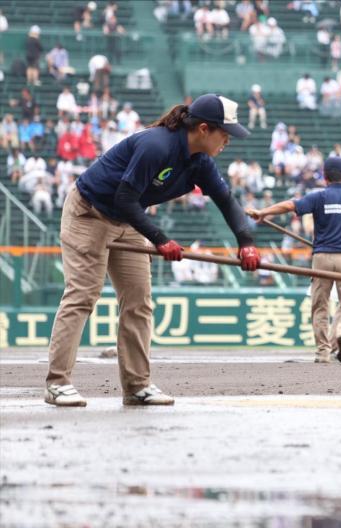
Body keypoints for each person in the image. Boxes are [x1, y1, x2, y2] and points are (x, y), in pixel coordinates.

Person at [44, 94, 260, 407]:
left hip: (130, 219)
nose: (228, 139)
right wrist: (160, 239)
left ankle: (137, 385)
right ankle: (57, 383)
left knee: (138, 301)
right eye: (224, 133)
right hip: (90, 212)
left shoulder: (200, 162)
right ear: (203, 129)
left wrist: (246, 242)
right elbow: (124, 198)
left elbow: (227, 201)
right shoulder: (157, 146)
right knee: (83, 295)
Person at [248, 157, 341, 364]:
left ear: (325, 177)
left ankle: (323, 352)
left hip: (321, 258)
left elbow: (290, 205)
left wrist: (263, 212)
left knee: (320, 306)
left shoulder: (319, 196)